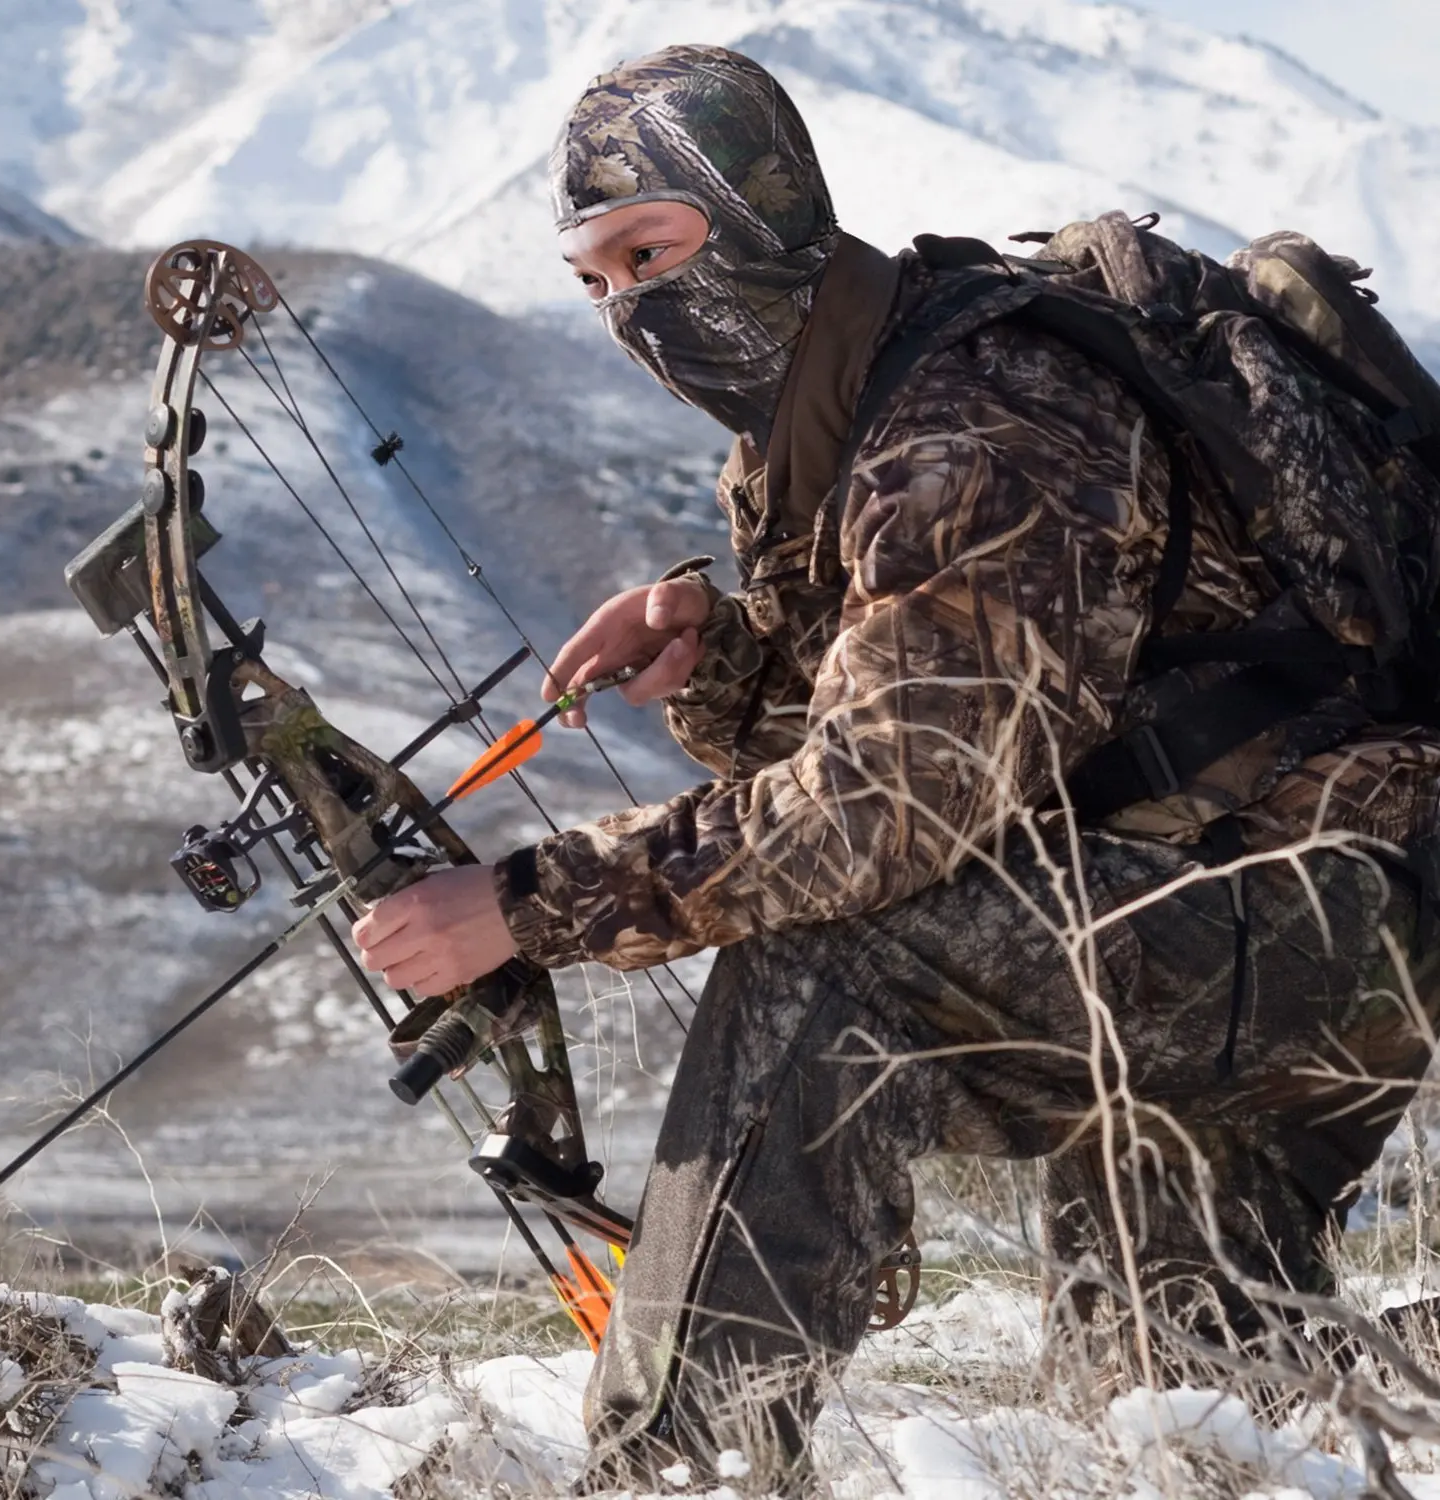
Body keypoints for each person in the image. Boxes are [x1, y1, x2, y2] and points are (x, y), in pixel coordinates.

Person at [353, 43, 1440, 1491]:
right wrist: (725, 657)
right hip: (1244, 900)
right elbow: (932, 722)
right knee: (1191, 1416)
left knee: (836, 963)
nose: (630, 309)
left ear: (763, 215)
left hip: (1330, 907)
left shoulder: (977, 414)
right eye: (593, 279)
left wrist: (535, 901)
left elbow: (883, 811)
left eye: (651, 250)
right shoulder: (841, 409)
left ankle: (679, 1467)